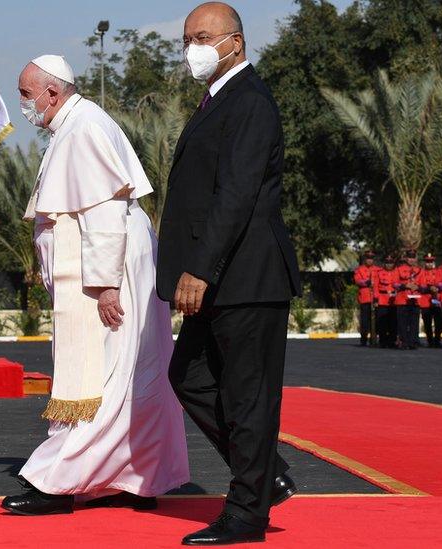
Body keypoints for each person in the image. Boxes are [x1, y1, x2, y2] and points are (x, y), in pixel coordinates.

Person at [1, 54, 190, 516]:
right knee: (129, 373)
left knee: (106, 373)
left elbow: (105, 211)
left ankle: (59, 482)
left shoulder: (84, 126)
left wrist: (105, 285)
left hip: (111, 269)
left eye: (26, 94)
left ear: (52, 92)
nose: (22, 104)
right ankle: (136, 476)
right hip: (108, 266)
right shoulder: (71, 125)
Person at [156, 4, 301, 544]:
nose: (191, 47)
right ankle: (267, 474)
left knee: (248, 398)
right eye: (186, 38)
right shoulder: (218, 101)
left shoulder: (251, 102)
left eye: (202, 37)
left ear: (234, 43)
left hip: (245, 277)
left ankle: (246, 515)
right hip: (220, 279)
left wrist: (199, 269)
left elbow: (236, 195)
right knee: (188, 376)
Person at [394, 250, 421, 350]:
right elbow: (395, 284)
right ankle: (403, 342)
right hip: (402, 299)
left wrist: (417, 287)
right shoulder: (399, 269)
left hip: (415, 300)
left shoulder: (419, 270)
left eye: (413, 257)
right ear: (406, 258)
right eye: (409, 257)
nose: (411, 259)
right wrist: (405, 285)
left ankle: (413, 342)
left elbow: (423, 285)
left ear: (416, 258)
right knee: (402, 323)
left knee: (414, 322)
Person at [353, 250, 379, 346]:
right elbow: (358, 281)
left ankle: (374, 339)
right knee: (365, 320)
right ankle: (363, 339)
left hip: (375, 298)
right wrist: (366, 282)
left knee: (376, 320)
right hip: (365, 298)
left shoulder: (378, 269)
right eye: (368, 258)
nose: (369, 261)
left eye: (371, 259)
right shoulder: (359, 270)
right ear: (365, 259)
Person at [373, 255, 399, 349]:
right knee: (382, 322)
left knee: (393, 321)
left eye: (391, 263)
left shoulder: (397, 272)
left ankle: (392, 341)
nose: (389, 265)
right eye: (387, 263)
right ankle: (382, 341)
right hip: (382, 299)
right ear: (384, 263)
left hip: (393, 300)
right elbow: (375, 287)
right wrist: (376, 299)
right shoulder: (379, 273)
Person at [418, 253, 442, 348]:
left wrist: (437, 288)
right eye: (427, 262)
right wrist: (430, 288)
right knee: (427, 322)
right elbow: (421, 286)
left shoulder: (438, 272)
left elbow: (441, 283)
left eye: (431, 261)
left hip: (437, 300)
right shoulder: (421, 272)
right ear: (424, 262)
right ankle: (430, 341)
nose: (429, 263)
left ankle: (437, 340)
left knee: (438, 322)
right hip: (425, 301)